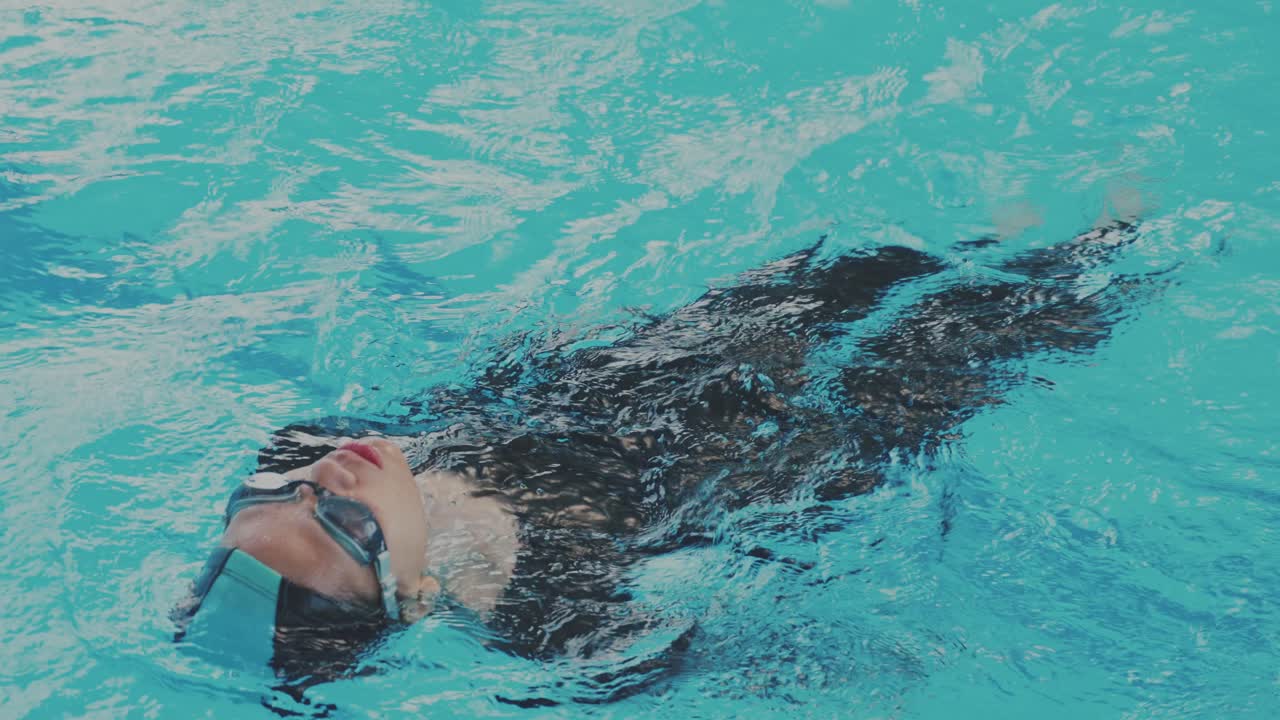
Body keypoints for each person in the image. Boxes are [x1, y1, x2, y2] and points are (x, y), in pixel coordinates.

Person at [176, 213, 1152, 699]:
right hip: (821, 437)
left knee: (868, 258)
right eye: (337, 522)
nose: (325, 478)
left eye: (277, 496)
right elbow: (800, 657)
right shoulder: (568, 633)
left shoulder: (309, 447)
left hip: (663, 365)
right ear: (415, 596)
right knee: (1050, 297)